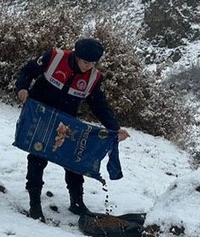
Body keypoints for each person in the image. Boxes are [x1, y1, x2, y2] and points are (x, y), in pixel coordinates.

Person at [15, 38, 130, 221]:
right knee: (37, 157)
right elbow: (28, 70)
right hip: (41, 115)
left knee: (75, 160)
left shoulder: (94, 77)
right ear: (77, 56)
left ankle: (77, 203)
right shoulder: (54, 57)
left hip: (66, 120)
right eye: (86, 62)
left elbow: (99, 105)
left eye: (93, 63)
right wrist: (22, 88)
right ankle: (34, 203)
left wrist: (115, 129)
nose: (88, 67)